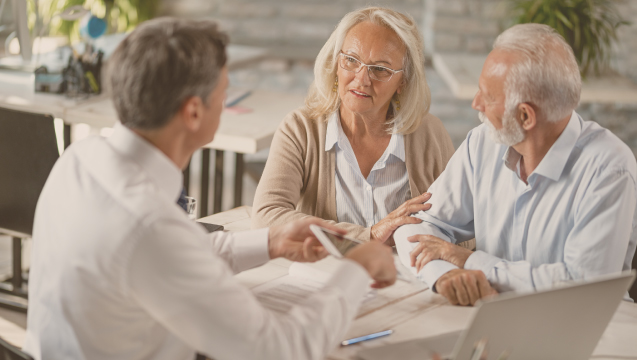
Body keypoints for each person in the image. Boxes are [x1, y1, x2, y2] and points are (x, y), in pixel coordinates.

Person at [23, 18, 398, 360]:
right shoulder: (149, 223)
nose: (227, 99)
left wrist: (270, 242)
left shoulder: (79, 159)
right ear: (193, 113)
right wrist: (355, 270)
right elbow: (280, 349)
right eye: (224, 91)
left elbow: (173, 255)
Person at [394, 23, 637, 306]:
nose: (476, 103)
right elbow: (416, 224)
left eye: (487, 96)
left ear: (525, 117)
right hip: (492, 318)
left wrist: (473, 262)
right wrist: (444, 274)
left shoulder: (609, 169)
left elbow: (583, 287)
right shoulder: (481, 143)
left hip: (586, 335)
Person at [252, 7, 455, 244]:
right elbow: (266, 216)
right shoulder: (300, 129)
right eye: (351, 60)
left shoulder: (430, 134)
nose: (361, 79)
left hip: (406, 277)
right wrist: (369, 236)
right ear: (336, 63)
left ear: (404, 81)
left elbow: (464, 231)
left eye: (380, 69)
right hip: (326, 273)